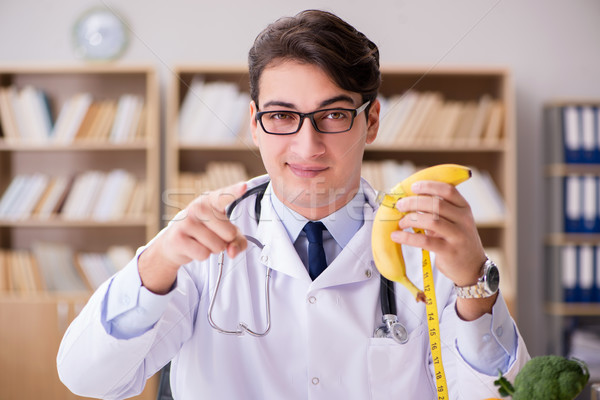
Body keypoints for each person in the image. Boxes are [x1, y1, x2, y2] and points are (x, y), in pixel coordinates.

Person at [57, 9, 529, 400]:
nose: (308, 146)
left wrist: (474, 283)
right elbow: (89, 379)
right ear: (255, 123)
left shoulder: (429, 245)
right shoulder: (198, 239)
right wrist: (155, 265)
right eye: (282, 115)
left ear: (373, 121)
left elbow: (499, 395)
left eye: (334, 115)